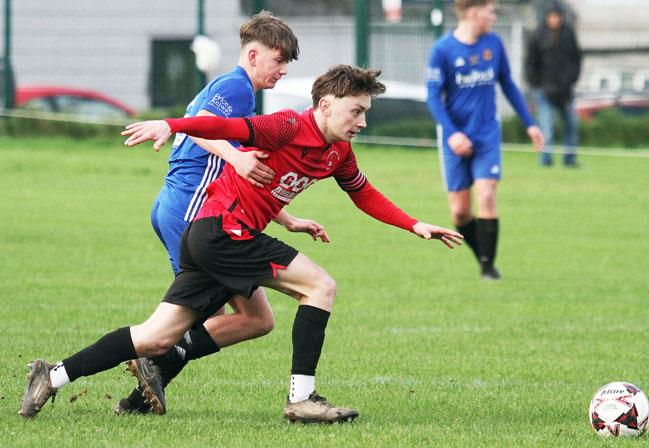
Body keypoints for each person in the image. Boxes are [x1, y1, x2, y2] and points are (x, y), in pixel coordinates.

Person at [20, 65, 463, 423]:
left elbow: (363, 193)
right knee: (320, 287)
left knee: (164, 336)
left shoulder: (338, 153)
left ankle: (53, 375)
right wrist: (169, 124)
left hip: (210, 237)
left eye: (366, 112)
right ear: (325, 105)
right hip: (224, 233)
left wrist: (414, 224)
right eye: (355, 111)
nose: (362, 121)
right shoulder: (286, 126)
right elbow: (221, 125)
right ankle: (302, 399)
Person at [112, 11, 329, 415]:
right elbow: (201, 126)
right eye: (278, 60)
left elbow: (235, 170)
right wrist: (233, 154)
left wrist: (286, 219)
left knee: (254, 319)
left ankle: (146, 380)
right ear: (252, 54)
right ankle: (104, 376)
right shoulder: (237, 87)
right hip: (193, 208)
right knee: (192, 314)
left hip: (187, 205)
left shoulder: (232, 87)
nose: (282, 71)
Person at [425, 0, 544, 281]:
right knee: (460, 211)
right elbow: (433, 97)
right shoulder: (443, 49)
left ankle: (488, 269)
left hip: (487, 134)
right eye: (490, 11)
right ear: (474, 13)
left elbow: (508, 85)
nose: (493, 16)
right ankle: (483, 256)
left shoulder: (493, 43)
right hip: (455, 137)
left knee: (487, 196)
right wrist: (452, 133)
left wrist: (531, 124)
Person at [526, 0, 582, 167]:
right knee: (546, 128)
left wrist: (569, 82)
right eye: (552, 16)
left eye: (557, 16)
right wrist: (537, 85)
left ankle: (569, 159)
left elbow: (576, 61)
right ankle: (546, 159)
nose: (554, 19)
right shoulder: (538, 35)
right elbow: (531, 63)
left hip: (565, 91)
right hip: (544, 91)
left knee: (571, 126)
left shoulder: (568, 35)